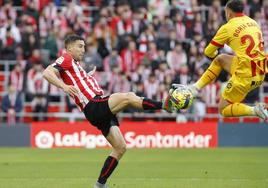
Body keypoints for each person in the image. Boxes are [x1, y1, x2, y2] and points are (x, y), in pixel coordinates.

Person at [42, 34, 173, 188]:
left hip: (95, 110)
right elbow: (47, 73)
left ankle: (100, 185)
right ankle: (164, 105)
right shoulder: (66, 58)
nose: (83, 50)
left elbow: (75, 80)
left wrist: (86, 77)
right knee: (128, 97)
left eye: (84, 46)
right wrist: (63, 86)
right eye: (80, 46)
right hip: (94, 105)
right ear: (69, 47)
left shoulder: (76, 66)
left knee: (120, 148)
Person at [180, 0, 268, 120]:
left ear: (228, 13)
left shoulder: (227, 28)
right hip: (260, 72)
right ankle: (194, 88)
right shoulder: (253, 22)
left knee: (223, 109)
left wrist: (215, 53)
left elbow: (208, 52)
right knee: (221, 59)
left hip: (245, 76)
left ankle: (254, 110)